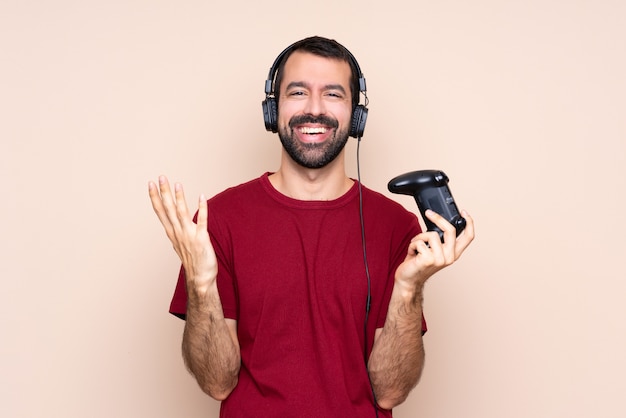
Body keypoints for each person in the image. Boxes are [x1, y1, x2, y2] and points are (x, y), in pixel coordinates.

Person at [148, 36, 474, 417]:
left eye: (333, 94)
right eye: (298, 92)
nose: (314, 109)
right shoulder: (217, 219)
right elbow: (217, 382)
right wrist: (201, 286)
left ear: (356, 116)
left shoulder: (396, 226)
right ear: (274, 109)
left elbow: (389, 392)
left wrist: (409, 287)